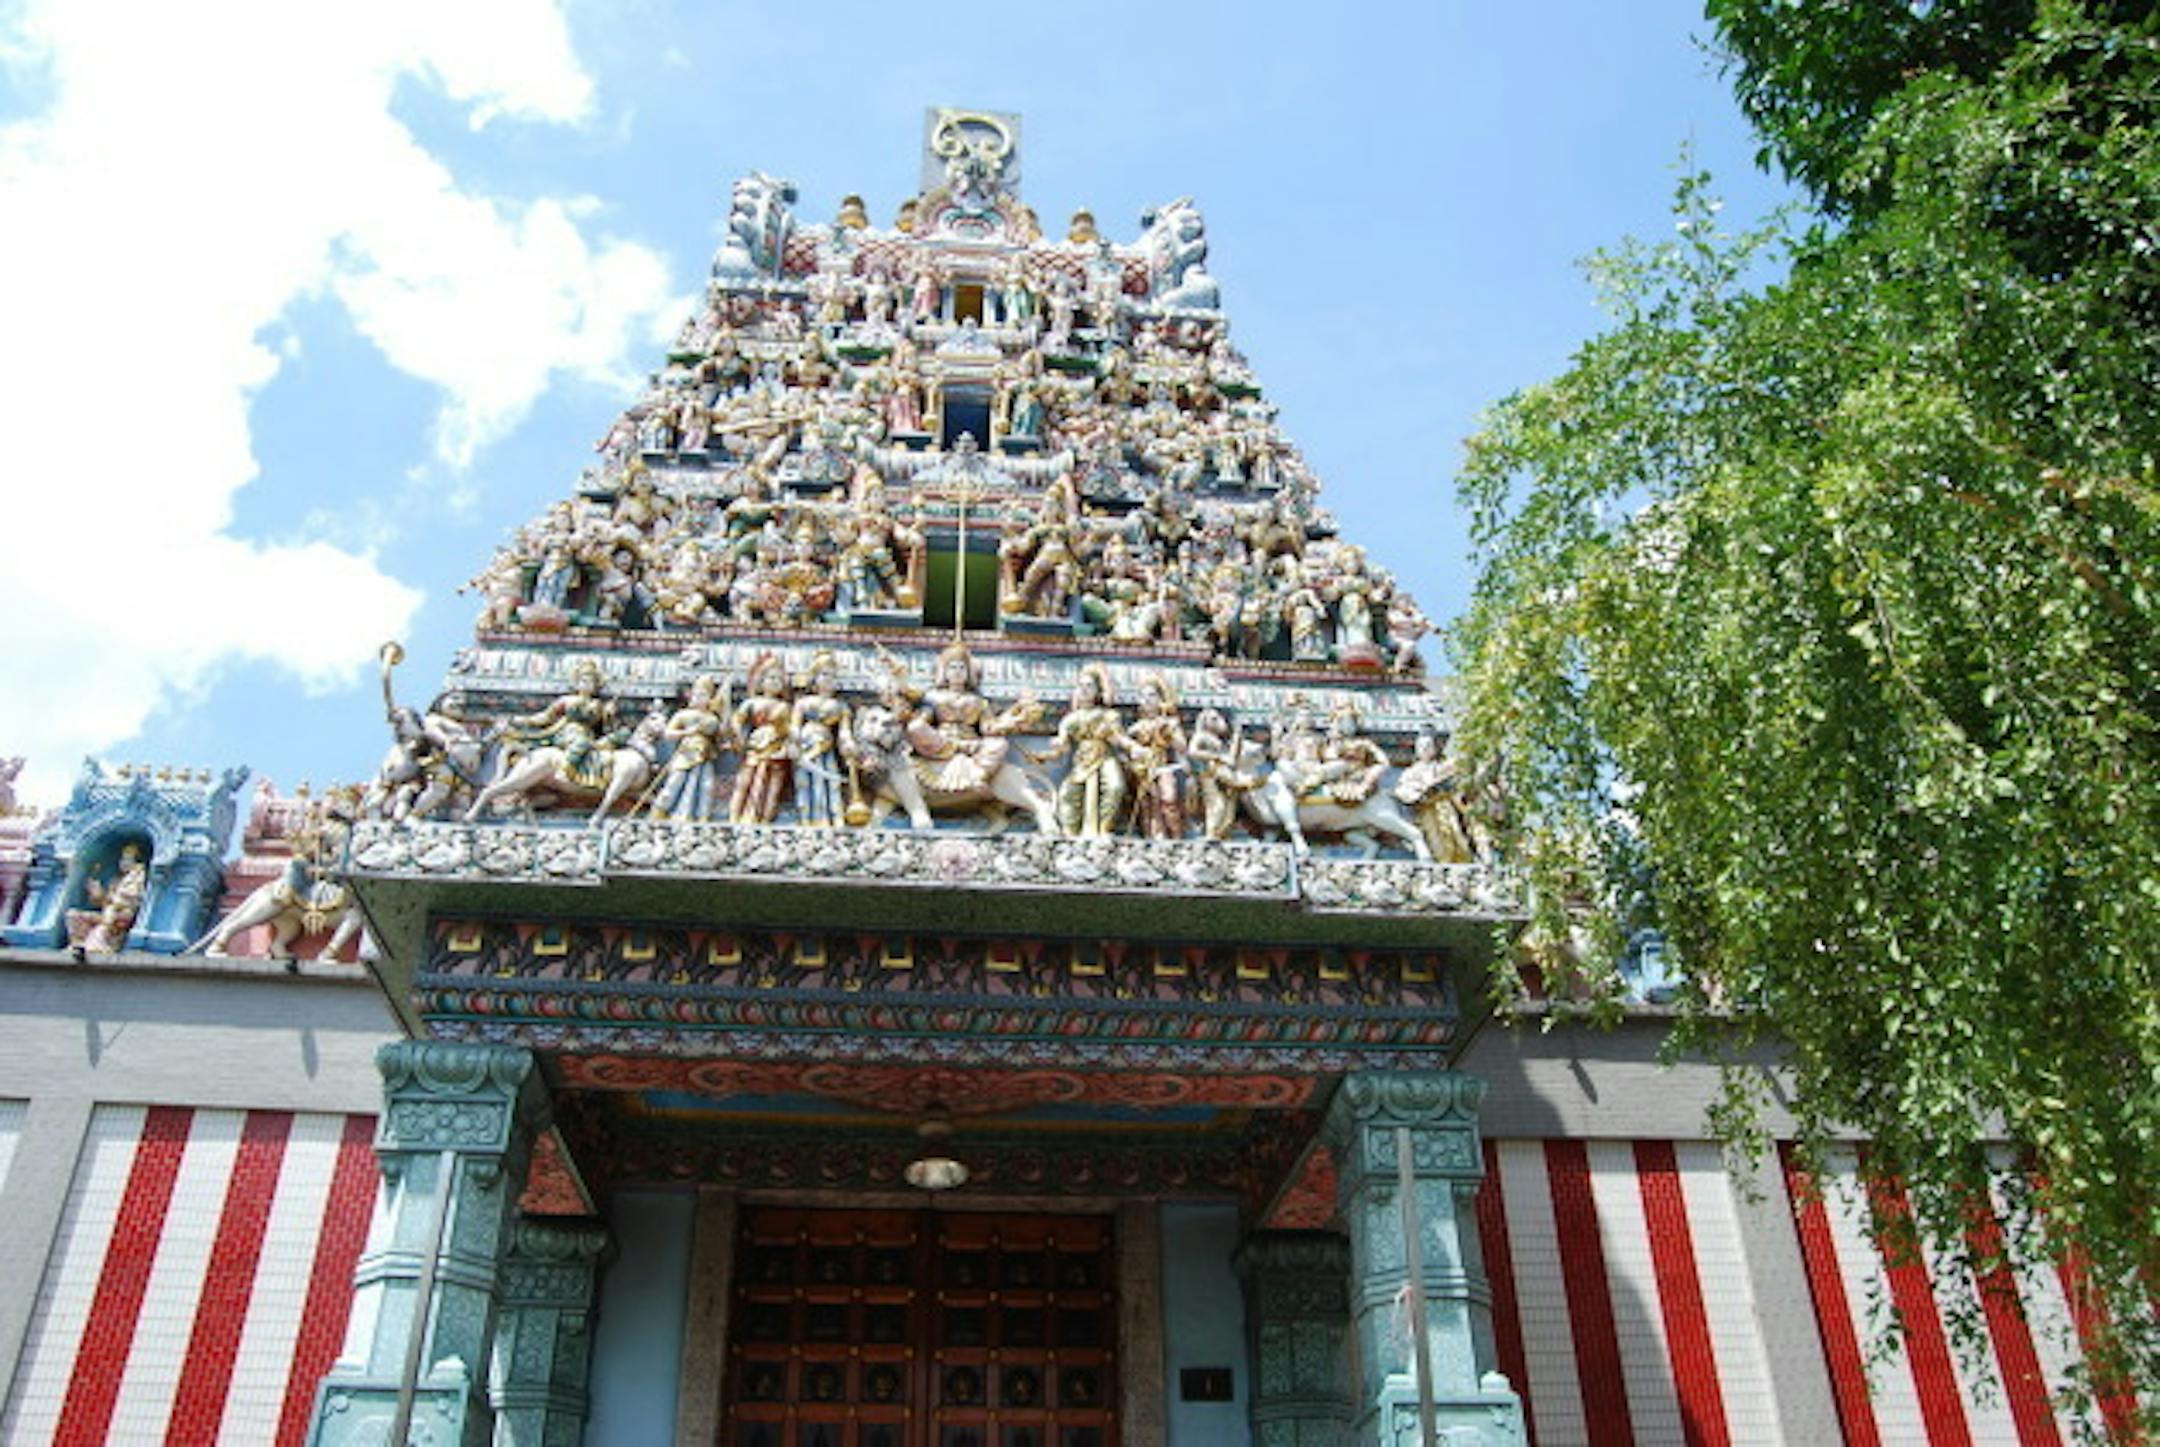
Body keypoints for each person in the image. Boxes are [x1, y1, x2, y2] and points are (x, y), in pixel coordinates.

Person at [1032, 664, 1130, 837]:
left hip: (1104, 756)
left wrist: (1134, 748)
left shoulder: (1108, 715)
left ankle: (1104, 828)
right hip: (1082, 761)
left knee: (1115, 787)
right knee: (1066, 794)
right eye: (1081, 685)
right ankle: (1071, 833)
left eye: (1089, 686)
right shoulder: (1070, 719)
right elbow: (1062, 746)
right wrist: (1046, 755)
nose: (1084, 690)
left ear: (1098, 691)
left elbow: (1120, 738)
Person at [650, 676, 727, 821]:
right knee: (674, 782)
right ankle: (659, 812)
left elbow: (719, 737)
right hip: (685, 754)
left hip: (705, 755)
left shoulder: (712, 718)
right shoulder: (683, 715)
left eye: (703, 695)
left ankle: (701, 816)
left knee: (706, 786)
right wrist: (686, 732)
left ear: (710, 699)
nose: (699, 698)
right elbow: (668, 733)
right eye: (696, 694)